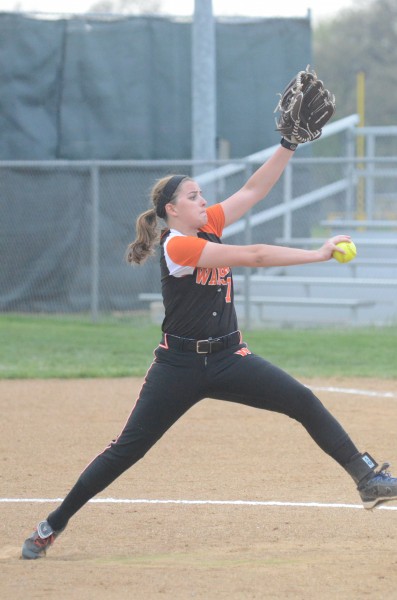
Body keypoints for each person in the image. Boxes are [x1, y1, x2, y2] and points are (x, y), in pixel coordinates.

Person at [22, 137, 397, 560]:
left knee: (302, 400)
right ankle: (53, 523)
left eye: (202, 194)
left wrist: (289, 145)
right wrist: (317, 254)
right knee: (127, 450)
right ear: (171, 209)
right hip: (178, 366)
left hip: (228, 357)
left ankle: (366, 478)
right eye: (193, 196)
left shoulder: (206, 225)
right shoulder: (177, 245)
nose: (204, 201)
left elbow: (254, 189)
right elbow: (253, 255)